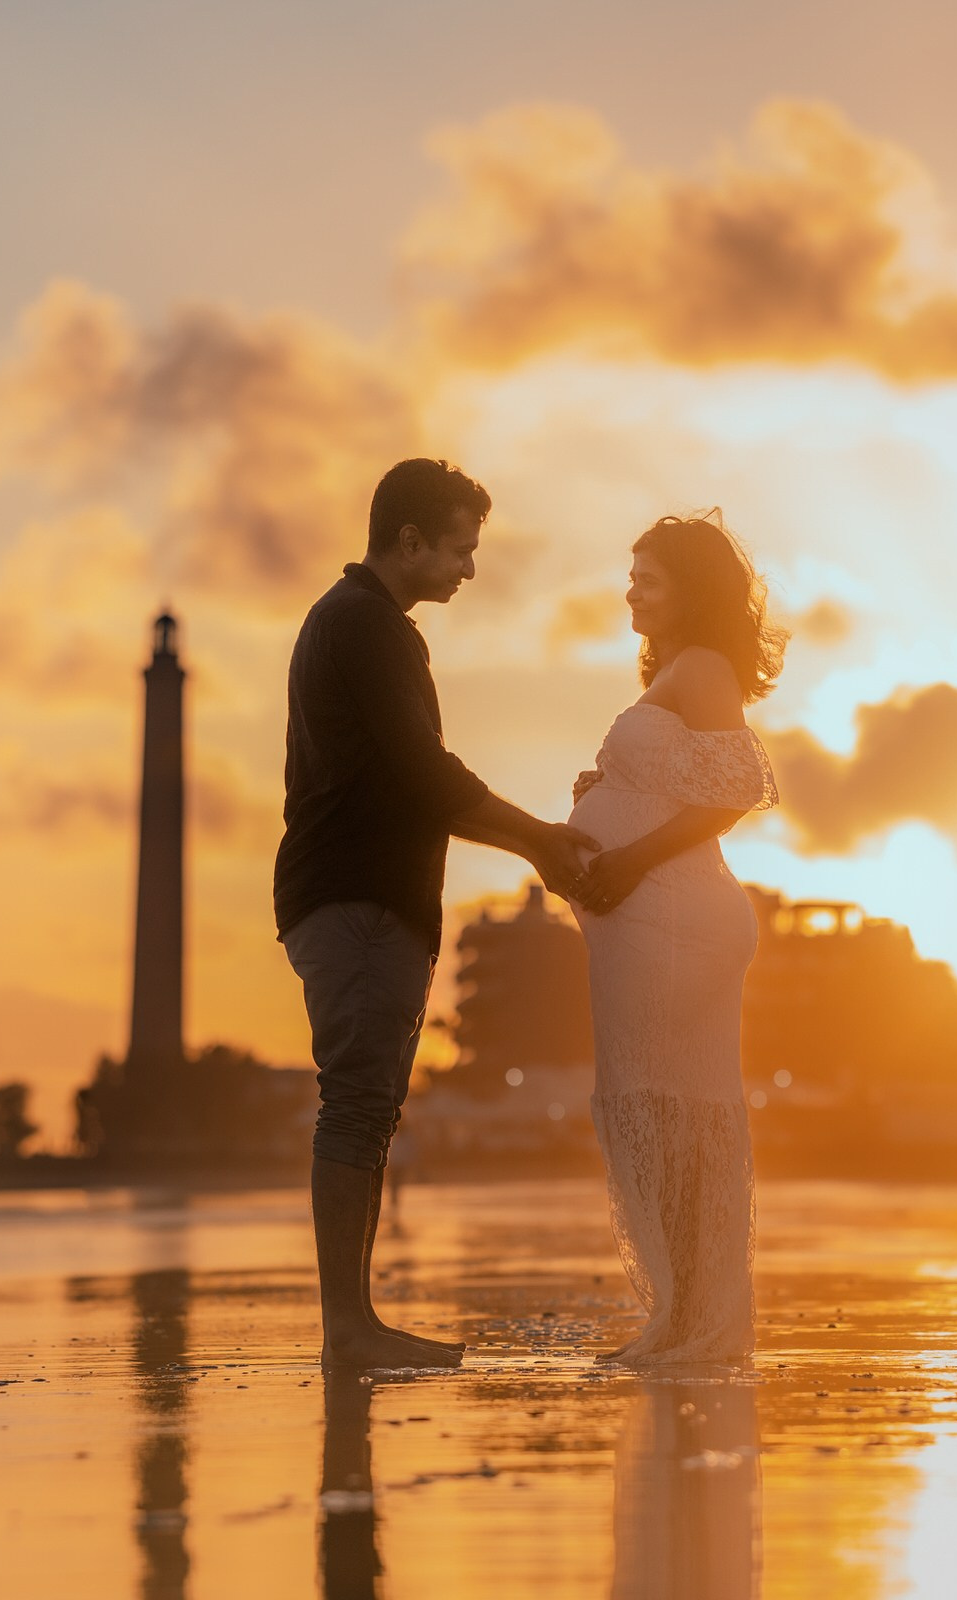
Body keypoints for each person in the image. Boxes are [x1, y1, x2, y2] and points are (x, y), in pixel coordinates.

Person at [276, 457, 593, 1371]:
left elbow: (411, 779)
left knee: (365, 1109)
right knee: (356, 1106)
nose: (469, 568)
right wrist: (542, 841)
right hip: (358, 899)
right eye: (460, 548)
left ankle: (355, 1325)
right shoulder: (368, 627)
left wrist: (533, 845)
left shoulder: (353, 624)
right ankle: (349, 1331)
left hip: (352, 897)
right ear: (409, 540)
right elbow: (427, 778)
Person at [568, 512, 783, 1367]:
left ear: (689, 590)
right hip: (656, 927)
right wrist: (608, 784)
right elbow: (683, 780)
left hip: (677, 926)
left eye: (647, 577)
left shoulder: (702, 667)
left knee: (674, 1119)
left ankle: (691, 1323)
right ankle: (684, 1318)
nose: (630, 590)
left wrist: (623, 861)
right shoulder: (680, 675)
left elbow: (737, 788)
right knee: (662, 1116)